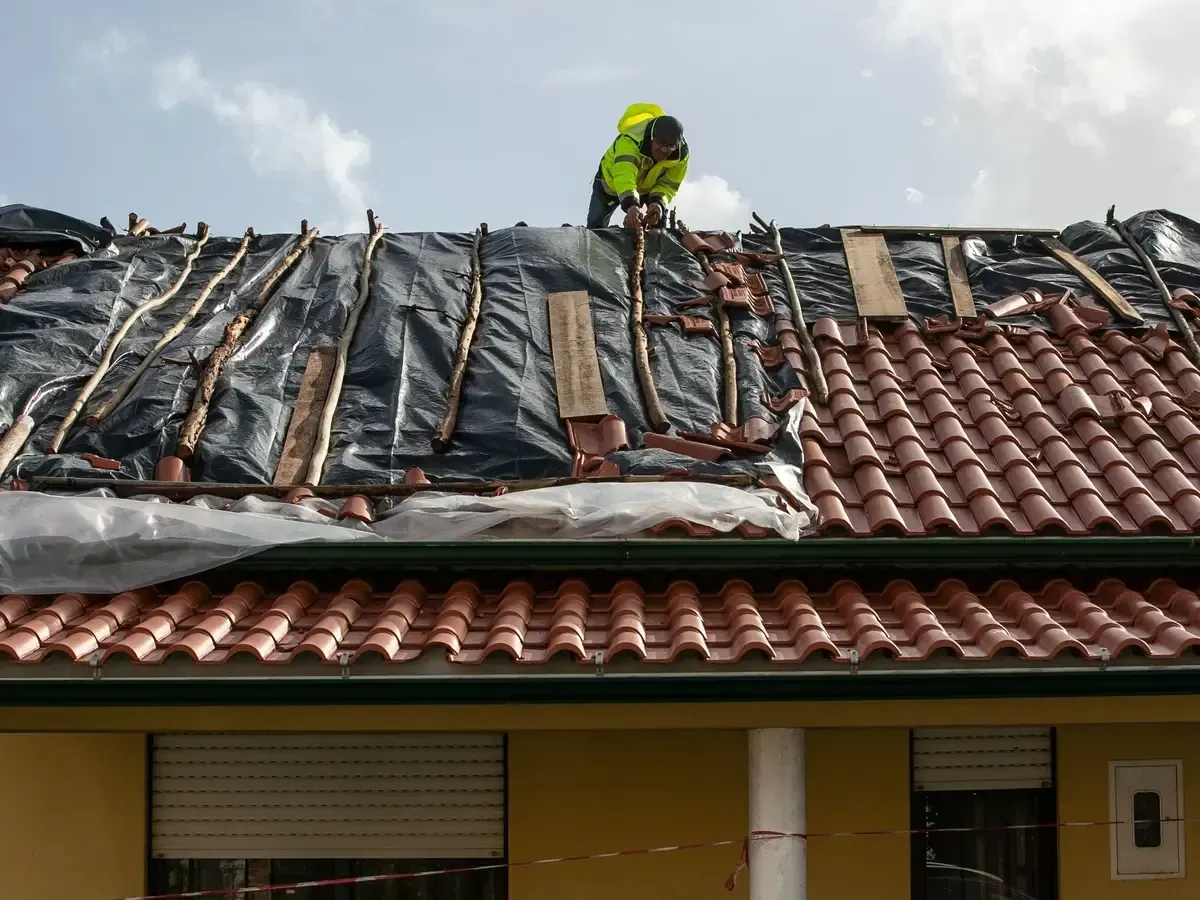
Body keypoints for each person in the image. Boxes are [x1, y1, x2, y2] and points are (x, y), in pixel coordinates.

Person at [588, 103, 689, 229]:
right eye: (661, 143)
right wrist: (631, 205)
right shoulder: (630, 143)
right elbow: (624, 176)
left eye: (671, 146)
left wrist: (658, 202)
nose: (664, 150)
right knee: (595, 228)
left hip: (647, 188)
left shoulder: (680, 156)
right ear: (651, 138)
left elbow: (669, 185)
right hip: (611, 184)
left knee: (659, 231)